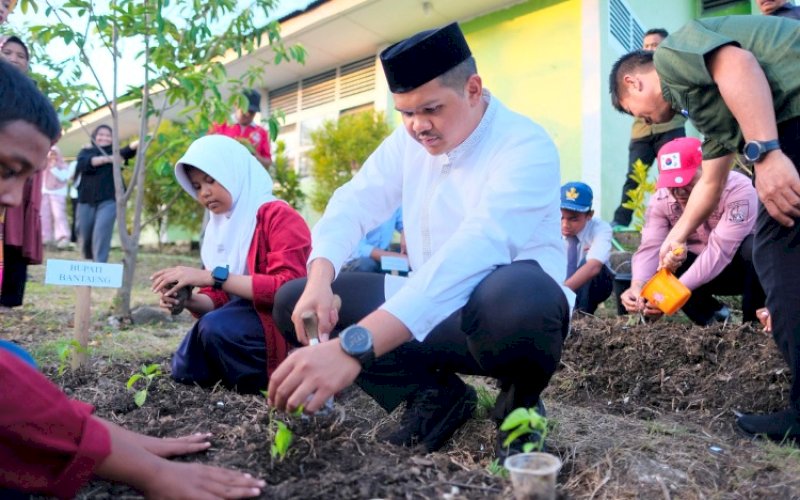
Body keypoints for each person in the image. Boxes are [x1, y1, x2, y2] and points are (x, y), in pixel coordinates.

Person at [267, 23, 571, 457]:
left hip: (499, 318)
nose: (417, 126)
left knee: (521, 294)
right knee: (293, 298)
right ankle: (436, 396)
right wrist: (319, 280)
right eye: (405, 113)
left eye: (430, 109)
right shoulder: (407, 143)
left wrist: (353, 348)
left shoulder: (525, 145)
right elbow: (351, 204)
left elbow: (478, 249)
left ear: (472, 88)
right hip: (428, 310)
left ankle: (519, 406)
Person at [0, 59, 264, 500]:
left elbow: (284, 292)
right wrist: (141, 467)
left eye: (211, 181)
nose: (12, 196)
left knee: (19, 360)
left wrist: (114, 439)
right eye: (9, 170)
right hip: (238, 330)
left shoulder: (272, 215)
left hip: (268, 336)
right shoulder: (217, 232)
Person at [608, 15, 800, 442]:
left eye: (630, 112)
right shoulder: (711, 115)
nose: (641, 119)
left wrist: (765, 154)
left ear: (633, 85)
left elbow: (737, 64)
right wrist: (669, 250)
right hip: (784, 121)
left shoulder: (672, 56)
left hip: (791, 117)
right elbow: (708, 184)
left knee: (774, 254)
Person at [150, 135, 311, 394]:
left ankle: (278, 381)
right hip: (244, 317)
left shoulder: (278, 216)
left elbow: (289, 289)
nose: (204, 193)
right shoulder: (220, 227)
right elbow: (222, 297)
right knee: (185, 366)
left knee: (217, 328)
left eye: (210, 180)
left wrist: (212, 276)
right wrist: (186, 300)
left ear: (233, 170)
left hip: (283, 321)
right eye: (196, 186)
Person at [620, 137, 764, 325]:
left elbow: (719, 250)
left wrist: (672, 294)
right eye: (672, 183)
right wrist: (638, 285)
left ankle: (752, 323)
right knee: (671, 259)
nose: (679, 191)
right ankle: (714, 320)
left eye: (687, 181)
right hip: (700, 273)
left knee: (754, 248)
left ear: (708, 170)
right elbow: (650, 247)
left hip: (740, 270)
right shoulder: (661, 200)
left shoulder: (738, 191)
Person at [611, 28, 686, 229]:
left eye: (655, 44)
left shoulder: (676, 71)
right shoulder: (636, 75)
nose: (651, 48)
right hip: (641, 135)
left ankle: (676, 218)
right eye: (647, 45)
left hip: (671, 129)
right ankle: (620, 220)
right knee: (634, 177)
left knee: (673, 175)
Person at [0, 35, 43, 310]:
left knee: (15, 233)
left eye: (22, 55)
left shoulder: (34, 94)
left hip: (22, 175)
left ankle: (9, 299)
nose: (15, 58)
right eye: (8, 52)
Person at [75, 125, 138, 263]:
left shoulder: (117, 152)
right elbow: (84, 163)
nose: (104, 137)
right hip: (86, 199)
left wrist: (138, 142)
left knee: (101, 233)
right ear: (94, 136)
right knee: (85, 235)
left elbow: (127, 151)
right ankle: (87, 265)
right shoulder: (86, 151)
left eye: (108, 135)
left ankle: (100, 267)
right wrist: (110, 159)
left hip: (109, 199)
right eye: (101, 134)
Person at [560, 181, 613, 315]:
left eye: (573, 219)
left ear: (589, 215)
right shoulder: (548, 226)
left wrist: (560, 293)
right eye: (561, 217)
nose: (565, 224)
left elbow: (593, 267)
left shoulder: (601, 229)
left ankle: (581, 315)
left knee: (589, 264)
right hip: (558, 283)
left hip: (594, 285)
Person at [210, 89, 272, 168]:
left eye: (252, 112)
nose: (248, 114)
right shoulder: (220, 124)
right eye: (245, 109)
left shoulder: (261, 132)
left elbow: (268, 162)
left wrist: (255, 156)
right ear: (236, 105)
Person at [341, 207, 407, 273]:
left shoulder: (392, 201)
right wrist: (393, 257)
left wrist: (405, 231)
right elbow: (358, 248)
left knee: (413, 258)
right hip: (356, 260)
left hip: (382, 254)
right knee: (366, 265)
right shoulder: (353, 205)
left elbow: (404, 221)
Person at [41, 145, 72, 249]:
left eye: (54, 153)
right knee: (44, 215)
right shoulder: (43, 164)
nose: (52, 156)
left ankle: (63, 237)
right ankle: (45, 237)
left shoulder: (63, 165)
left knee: (59, 215)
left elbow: (64, 177)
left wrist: (54, 167)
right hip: (44, 191)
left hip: (58, 192)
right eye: (50, 153)